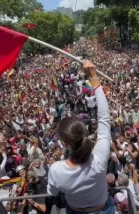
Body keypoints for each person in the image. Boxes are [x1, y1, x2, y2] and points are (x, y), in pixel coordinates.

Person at [47, 60, 114, 213]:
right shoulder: (99, 158)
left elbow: (52, 193)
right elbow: (104, 119)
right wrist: (94, 78)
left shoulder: (56, 170)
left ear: (64, 143)